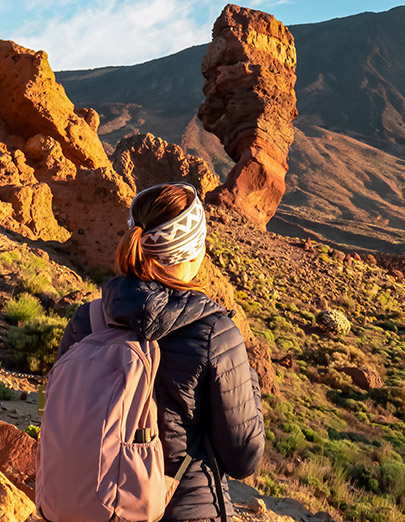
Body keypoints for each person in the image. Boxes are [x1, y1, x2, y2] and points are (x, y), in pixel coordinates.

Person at [55, 181, 264, 522]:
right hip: (183, 509)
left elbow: (52, 406)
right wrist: (248, 382)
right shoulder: (214, 333)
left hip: (88, 504)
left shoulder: (87, 319)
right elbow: (244, 459)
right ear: (195, 251)